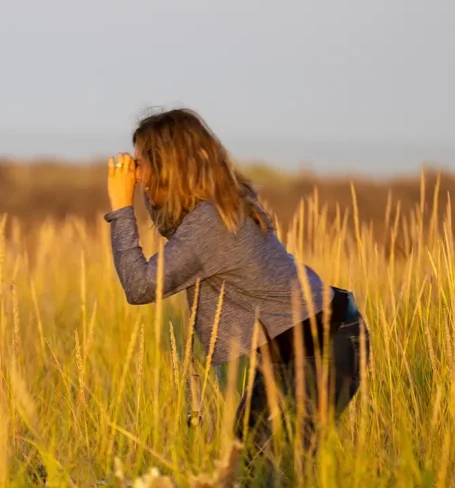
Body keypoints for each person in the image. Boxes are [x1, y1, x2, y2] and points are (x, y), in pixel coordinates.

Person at [104, 108, 370, 454]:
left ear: (167, 166)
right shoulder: (220, 204)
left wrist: (121, 208)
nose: (136, 176)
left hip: (321, 347)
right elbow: (174, 229)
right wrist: (143, 190)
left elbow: (140, 287)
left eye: (141, 164)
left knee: (269, 467)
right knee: (250, 463)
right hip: (308, 342)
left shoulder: (210, 224)